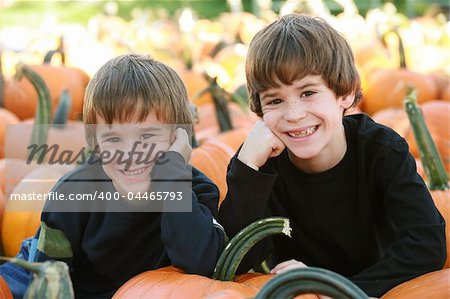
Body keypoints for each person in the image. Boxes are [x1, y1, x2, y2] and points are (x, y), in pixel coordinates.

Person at [218, 14, 446, 297]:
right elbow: (237, 259)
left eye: (308, 92)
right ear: (260, 111)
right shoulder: (260, 165)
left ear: (346, 94)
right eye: (275, 100)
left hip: (382, 290)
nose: (294, 115)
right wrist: (248, 169)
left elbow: (427, 245)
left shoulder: (381, 151)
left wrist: (333, 287)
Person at [1, 54, 226, 298]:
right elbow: (47, 277)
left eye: (147, 137)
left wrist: (172, 177)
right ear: (95, 144)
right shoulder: (73, 195)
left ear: (178, 138)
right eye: (114, 139)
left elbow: (201, 262)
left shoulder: (194, 190)